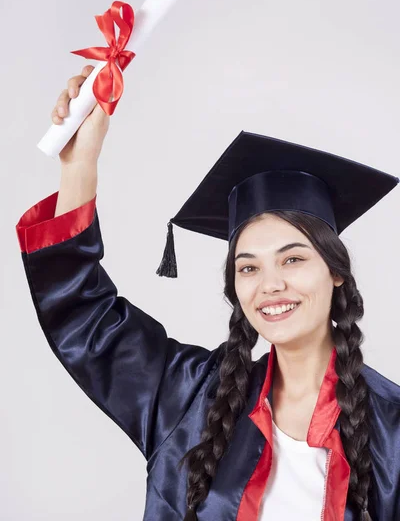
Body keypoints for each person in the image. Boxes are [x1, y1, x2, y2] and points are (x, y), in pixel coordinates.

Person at [16, 65, 400, 521]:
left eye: (293, 259)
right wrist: (80, 164)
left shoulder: (391, 433)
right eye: (248, 267)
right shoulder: (192, 398)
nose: (270, 284)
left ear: (335, 272)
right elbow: (84, 316)